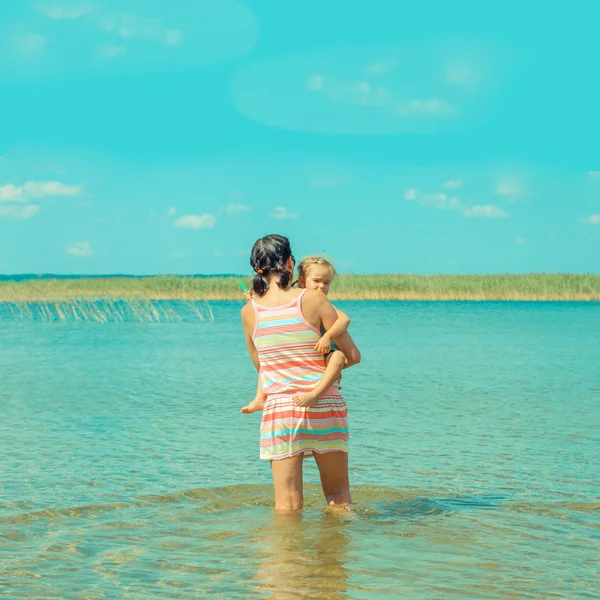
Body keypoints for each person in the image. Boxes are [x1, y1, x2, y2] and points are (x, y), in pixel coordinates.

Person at [240, 234, 361, 511]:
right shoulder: (314, 299)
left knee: (288, 504)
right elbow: (353, 356)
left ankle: (286, 555)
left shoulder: (248, 312)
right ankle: (335, 552)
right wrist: (332, 363)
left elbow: (263, 367)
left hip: (281, 409)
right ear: (290, 262)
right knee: (338, 494)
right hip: (325, 404)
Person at [240, 255, 350, 413]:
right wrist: (255, 303)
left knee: (338, 357)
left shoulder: (320, 301)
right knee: (266, 358)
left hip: (324, 351)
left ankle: (316, 393)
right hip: (304, 354)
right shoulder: (295, 296)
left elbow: (344, 320)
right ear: (302, 281)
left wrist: (328, 336)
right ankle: (259, 397)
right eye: (317, 281)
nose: (322, 287)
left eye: (326, 283)